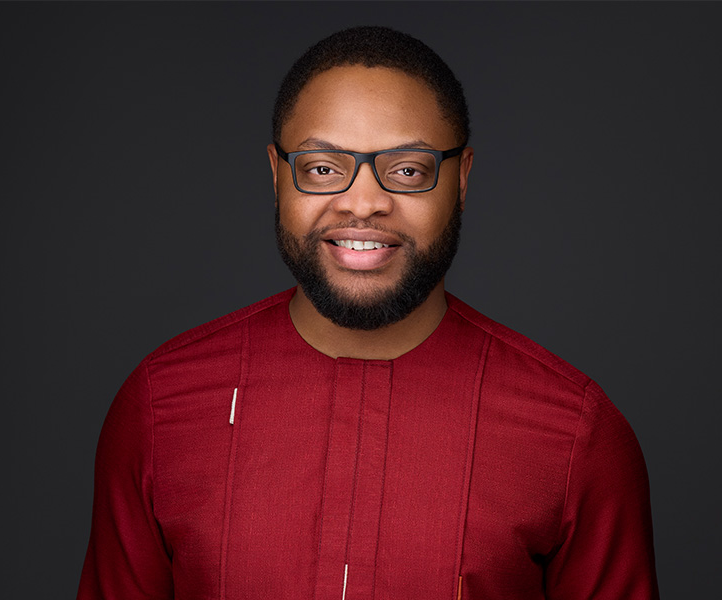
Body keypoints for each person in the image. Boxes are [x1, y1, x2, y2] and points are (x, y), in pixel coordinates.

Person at [77, 26, 658, 600]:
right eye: (323, 168)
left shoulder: (574, 435)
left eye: (408, 170)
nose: (362, 202)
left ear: (462, 179)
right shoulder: (160, 407)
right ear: (278, 176)